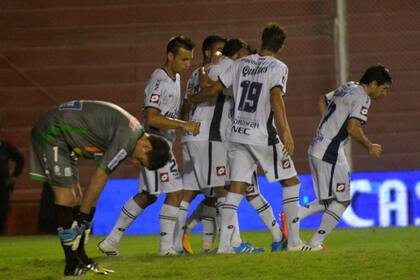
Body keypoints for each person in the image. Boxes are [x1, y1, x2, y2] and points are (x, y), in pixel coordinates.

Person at [189, 23, 309, 253]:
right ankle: (294, 243)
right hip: (262, 135)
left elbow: (214, 90)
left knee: (235, 189)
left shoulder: (241, 63)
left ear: (261, 39)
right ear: (281, 46)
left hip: (237, 133)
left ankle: (224, 245)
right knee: (291, 182)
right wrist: (286, 132)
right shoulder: (278, 67)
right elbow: (276, 97)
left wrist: (192, 99)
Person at [29, 100, 171, 276]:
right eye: (141, 159)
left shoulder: (133, 134)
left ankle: (80, 258)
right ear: (146, 146)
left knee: (76, 197)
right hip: (53, 131)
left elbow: (99, 183)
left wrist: (86, 216)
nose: (135, 162)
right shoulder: (127, 140)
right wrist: (84, 217)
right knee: (66, 197)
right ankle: (72, 264)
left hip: (62, 135)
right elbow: (99, 178)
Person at [98, 36, 199, 256]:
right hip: (154, 145)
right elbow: (152, 117)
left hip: (163, 143)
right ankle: (166, 249)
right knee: (175, 193)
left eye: (190, 59)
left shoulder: (176, 77)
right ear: (170, 56)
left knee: (148, 195)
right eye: (183, 59)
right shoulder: (159, 79)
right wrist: (184, 125)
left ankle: (111, 241)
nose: (187, 64)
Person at [298, 64, 392, 250]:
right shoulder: (363, 97)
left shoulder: (347, 86)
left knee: (329, 200)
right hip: (329, 151)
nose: (384, 94)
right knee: (341, 200)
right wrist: (369, 146)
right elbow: (352, 127)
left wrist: (328, 127)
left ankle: (294, 216)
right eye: (384, 88)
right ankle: (315, 242)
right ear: (373, 84)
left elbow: (322, 101)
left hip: (320, 146)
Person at [173, 34, 227, 254]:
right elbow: (208, 88)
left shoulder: (193, 75)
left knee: (197, 191)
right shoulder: (207, 73)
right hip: (205, 136)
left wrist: (184, 128)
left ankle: (187, 241)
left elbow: (185, 106)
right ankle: (228, 244)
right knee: (221, 190)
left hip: (191, 136)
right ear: (208, 52)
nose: (222, 55)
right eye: (219, 51)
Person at [0, 137, 24, 234]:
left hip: (2, 185)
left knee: (2, 211)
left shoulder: (5, 146)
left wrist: (14, 176)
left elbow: (20, 160)